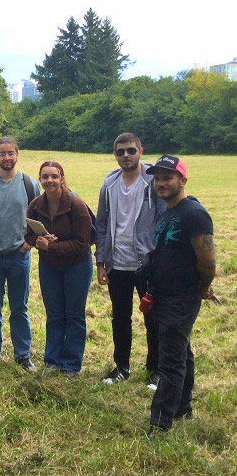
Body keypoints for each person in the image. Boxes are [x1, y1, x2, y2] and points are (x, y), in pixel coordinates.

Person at [145, 155, 215, 438]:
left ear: (182, 180)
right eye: (158, 178)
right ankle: (183, 407)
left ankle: (160, 424)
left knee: (169, 361)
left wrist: (203, 287)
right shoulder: (166, 212)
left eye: (168, 178)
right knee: (181, 351)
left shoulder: (193, 214)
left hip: (181, 296)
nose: (161, 183)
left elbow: (207, 259)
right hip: (162, 294)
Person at [96, 133, 162, 388]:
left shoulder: (154, 182)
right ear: (115, 154)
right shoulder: (109, 185)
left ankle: (155, 369)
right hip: (118, 263)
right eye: (121, 151)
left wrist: (160, 260)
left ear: (140, 152)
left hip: (148, 264)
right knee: (120, 317)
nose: (126, 155)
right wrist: (101, 262)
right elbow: (101, 225)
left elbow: (163, 222)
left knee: (153, 318)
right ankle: (122, 366)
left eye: (131, 151)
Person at [0, 137, 41, 371]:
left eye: (10, 153)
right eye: (2, 154)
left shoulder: (29, 184)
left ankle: (22, 355)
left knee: (19, 307)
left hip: (19, 255)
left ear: (17, 154)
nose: (6, 158)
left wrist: (26, 245)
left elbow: (38, 219)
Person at [25, 162, 92, 376]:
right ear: (40, 180)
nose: (50, 181)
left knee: (74, 315)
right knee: (54, 314)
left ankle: (71, 365)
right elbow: (27, 235)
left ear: (62, 178)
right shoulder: (36, 205)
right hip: (49, 266)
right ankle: (52, 362)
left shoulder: (76, 204)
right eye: (45, 177)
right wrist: (38, 240)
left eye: (54, 176)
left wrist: (51, 245)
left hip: (77, 266)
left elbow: (83, 243)